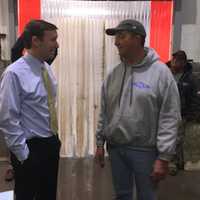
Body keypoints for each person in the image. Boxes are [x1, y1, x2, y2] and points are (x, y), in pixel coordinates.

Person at [95, 19, 181, 200]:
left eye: (122, 36)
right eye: (116, 37)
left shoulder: (160, 73)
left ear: (137, 39)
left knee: (147, 196)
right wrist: (99, 143)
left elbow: (170, 116)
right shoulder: (114, 73)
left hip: (145, 151)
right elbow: (104, 110)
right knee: (122, 195)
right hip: (116, 148)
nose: (116, 42)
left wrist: (164, 157)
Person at [0, 19, 61, 200]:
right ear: (36, 41)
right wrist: (23, 155)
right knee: (26, 195)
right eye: (53, 39)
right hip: (30, 149)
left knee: (48, 195)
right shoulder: (14, 73)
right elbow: (7, 118)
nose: (56, 44)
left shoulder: (46, 68)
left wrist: (55, 141)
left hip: (50, 143)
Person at [167, 50, 200, 174]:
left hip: (181, 113)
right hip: (164, 112)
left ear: (184, 62)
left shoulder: (190, 78)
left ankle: (173, 163)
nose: (175, 62)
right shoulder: (164, 73)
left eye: (179, 60)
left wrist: (192, 114)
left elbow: (195, 97)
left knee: (177, 138)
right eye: (174, 59)